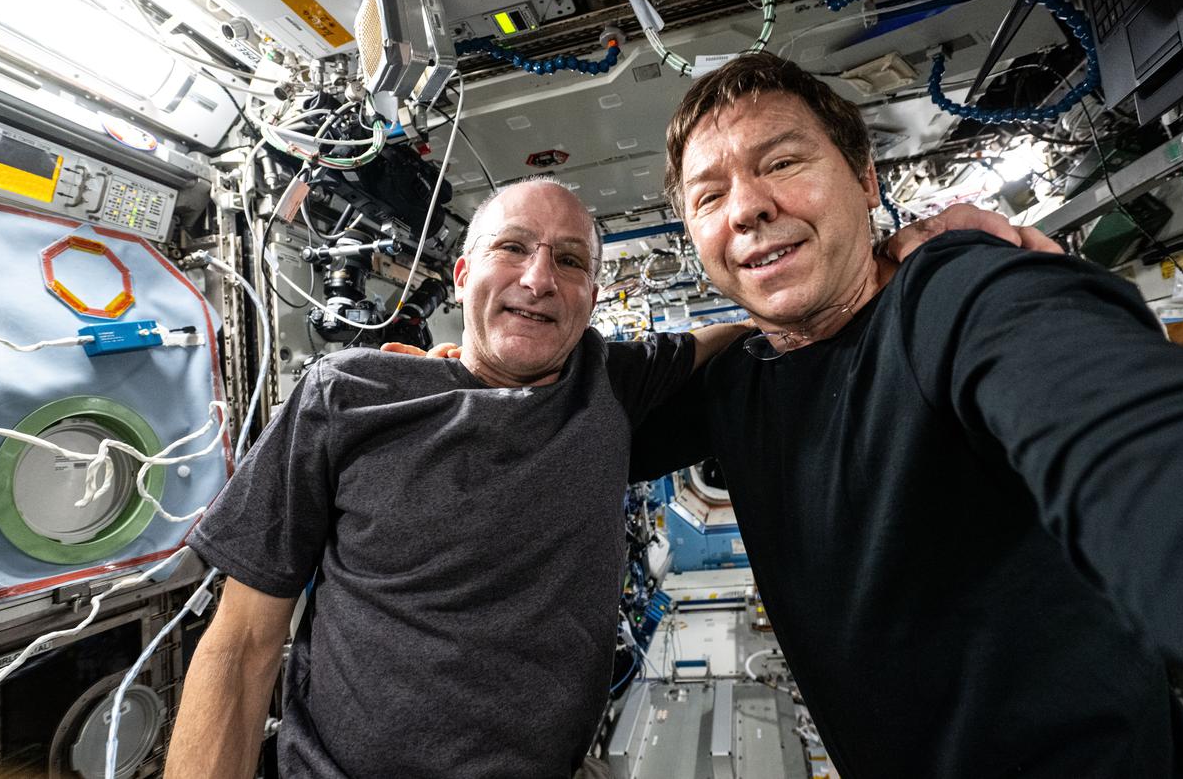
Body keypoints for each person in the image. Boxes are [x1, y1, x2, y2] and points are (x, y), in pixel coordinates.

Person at [630, 50, 1183, 778]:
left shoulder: (953, 296)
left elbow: (1136, 440)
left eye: (783, 162)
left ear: (864, 180)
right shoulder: (735, 385)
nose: (747, 207)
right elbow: (552, 433)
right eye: (708, 196)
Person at [166, 179, 753, 779]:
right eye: (512, 249)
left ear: (591, 298)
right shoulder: (346, 394)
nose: (539, 278)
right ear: (462, 275)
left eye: (570, 260)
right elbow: (241, 647)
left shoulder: (605, 384)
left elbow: (724, 339)